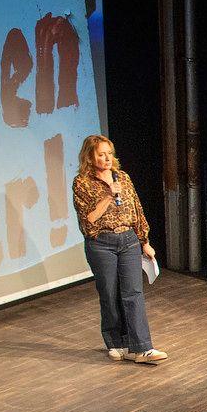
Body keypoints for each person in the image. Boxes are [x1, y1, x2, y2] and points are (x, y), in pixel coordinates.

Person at [71, 134, 164, 363]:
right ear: (90, 157)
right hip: (101, 244)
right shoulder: (82, 183)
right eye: (101, 154)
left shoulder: (122, 177)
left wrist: (145, 241)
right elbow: (89, 219)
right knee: (110, 294)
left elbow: (136, 209)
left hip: (128, 240)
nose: (107, 158)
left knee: (133, 293)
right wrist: (108, 195)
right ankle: (115, 342)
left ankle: (142, 348)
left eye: (109, 153)